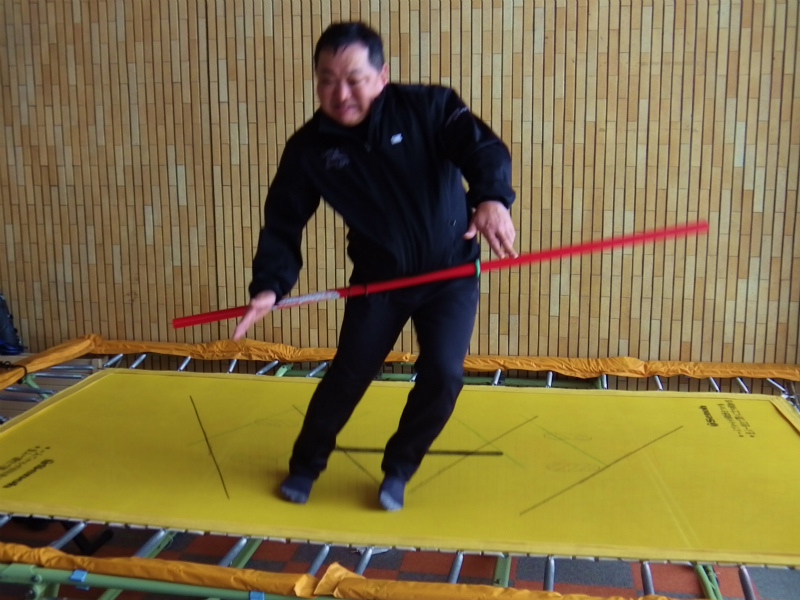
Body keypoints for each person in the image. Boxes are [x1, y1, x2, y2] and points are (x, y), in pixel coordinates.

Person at [232, 22, 517, 511]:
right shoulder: (310, 149)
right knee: (350, 374)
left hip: (449, 276)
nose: (340, 94)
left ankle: (400, 466)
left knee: (444, 375)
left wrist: (491, 197)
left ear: (382, 76)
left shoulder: (431, 107)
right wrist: (269, 286)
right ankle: (305, 463)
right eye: (327, 81)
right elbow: (283, 221)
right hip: (378, 284)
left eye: (354, 79)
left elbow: (482, 148)